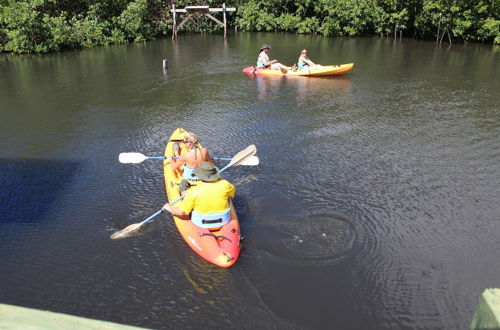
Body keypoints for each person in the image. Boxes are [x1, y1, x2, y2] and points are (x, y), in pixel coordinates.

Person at [162, 162, 236, 229]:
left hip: (201, 223)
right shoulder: (226, 184)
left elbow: (181, 212)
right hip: (224, 220)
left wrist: (168, 208)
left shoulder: (192, 192)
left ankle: (183, 185)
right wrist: (220, 179)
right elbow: (233, 195)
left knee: (183, 187)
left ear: (199, 176)